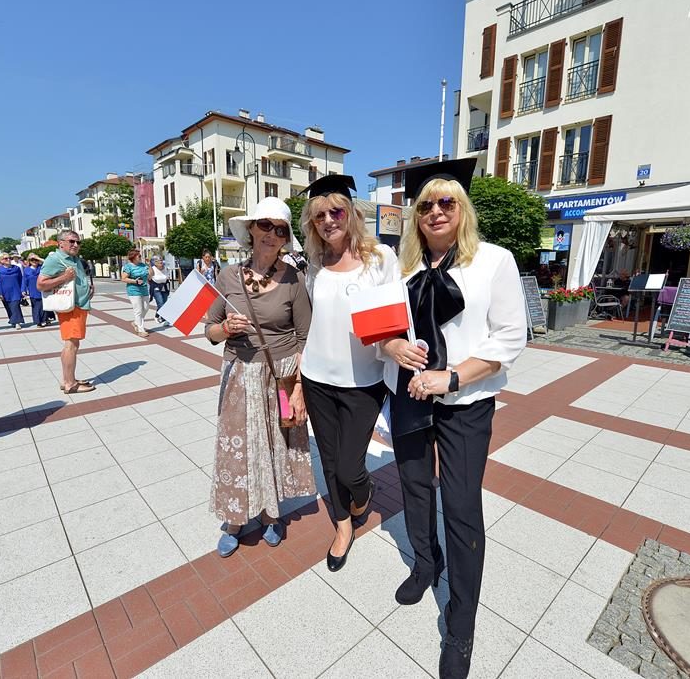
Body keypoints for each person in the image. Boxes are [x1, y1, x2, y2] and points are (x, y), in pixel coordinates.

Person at [379, 158, 527, 678]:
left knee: (461, 507)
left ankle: (461, 623)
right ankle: (426, 562)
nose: (436, 212)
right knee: (415, 489)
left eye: (447, 202)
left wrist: (453, 377)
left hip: (466, 402)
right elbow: (380, 330)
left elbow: (511, 338)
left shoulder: (493, 261)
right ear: (415, 216)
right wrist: (393, 347)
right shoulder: (400, 268)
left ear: (462, 209)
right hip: (409, 395)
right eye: (426, 205)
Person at [204, 197, 315, 558]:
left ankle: (271, 514)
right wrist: (225, 328)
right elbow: (209, 330)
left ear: (285, 238)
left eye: (280, 229)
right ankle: (235, 517)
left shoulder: (294, 279)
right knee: (237, 448)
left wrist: (299, 388)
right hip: (239, 373)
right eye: (264, 225)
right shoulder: (228, 276)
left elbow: (305, 336)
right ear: (251, 229)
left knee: (276, 445)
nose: (271, 234)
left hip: (281, 373)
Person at [297, 174, 398, 572]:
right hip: (317, 378)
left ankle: (362, 493)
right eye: (319, 215)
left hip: (364, 381)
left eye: (336, 212)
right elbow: (308, 322)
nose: (328, 221)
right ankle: (342, 527)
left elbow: (394, 321)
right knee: (329, 460)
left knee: (350, 466)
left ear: (351, 213)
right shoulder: (313, 265)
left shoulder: (380, 259)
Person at [37, 230, 96, 394]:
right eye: (71, 241)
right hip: (71, 308)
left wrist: (87, 289)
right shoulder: (55, 259)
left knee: (70, 344)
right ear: (61, 243)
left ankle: (67, 379)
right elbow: (40, 284)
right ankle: (70, 384)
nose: (76, 245)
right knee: (71, 345)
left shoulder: (74, 258)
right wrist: (64, 277)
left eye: (78, 242)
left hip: (79, 305)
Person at [121, 249, 150, 336]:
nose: (140, 257)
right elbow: (123, 278)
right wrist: (135, 281)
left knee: (146, 308)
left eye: (140, 256)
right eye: (139, 256)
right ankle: (140, 330)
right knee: (138, 310)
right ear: (133, 257)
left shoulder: (143, 265)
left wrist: (149, 265)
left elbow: (151, 275)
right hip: (133, 290)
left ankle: (136, 322)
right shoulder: (128, 267)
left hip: (144, 289)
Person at [0, 253, 26, 330]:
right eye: (5, 258)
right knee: (8, 307)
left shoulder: (16, 268)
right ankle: (12, 320)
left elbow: (21, 280)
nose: (8, 259)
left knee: (15, 306)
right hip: (5, 292)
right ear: (1, 260)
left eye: (9, 258)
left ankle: (17, 322)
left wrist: (23, 290)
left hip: (16, 291)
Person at [21, 254, 52, 327]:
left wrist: (38, 258)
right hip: (33, 290)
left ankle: (45, 319)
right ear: (29, 261)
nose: (34, 261)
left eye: (36, 260)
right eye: (32, 260)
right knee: (36, 307)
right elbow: (24, 281)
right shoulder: (26, 270)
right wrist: (23, 290)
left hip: (43, 289)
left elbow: (48, 263)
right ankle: (38, 321)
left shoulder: (42, 268)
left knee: (43, 306)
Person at [149, 256, 170, 325]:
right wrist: (149, 266)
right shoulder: (153, 269)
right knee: (160, 303)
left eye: (161, 260)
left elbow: (167, 277)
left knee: (164, 303)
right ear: (155, 263)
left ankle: (157, 315)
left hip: (164, 287)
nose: (161, 262)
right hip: (156, 287)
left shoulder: (166, 268)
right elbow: (149, 278)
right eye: (158, 261)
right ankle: (164, 319)